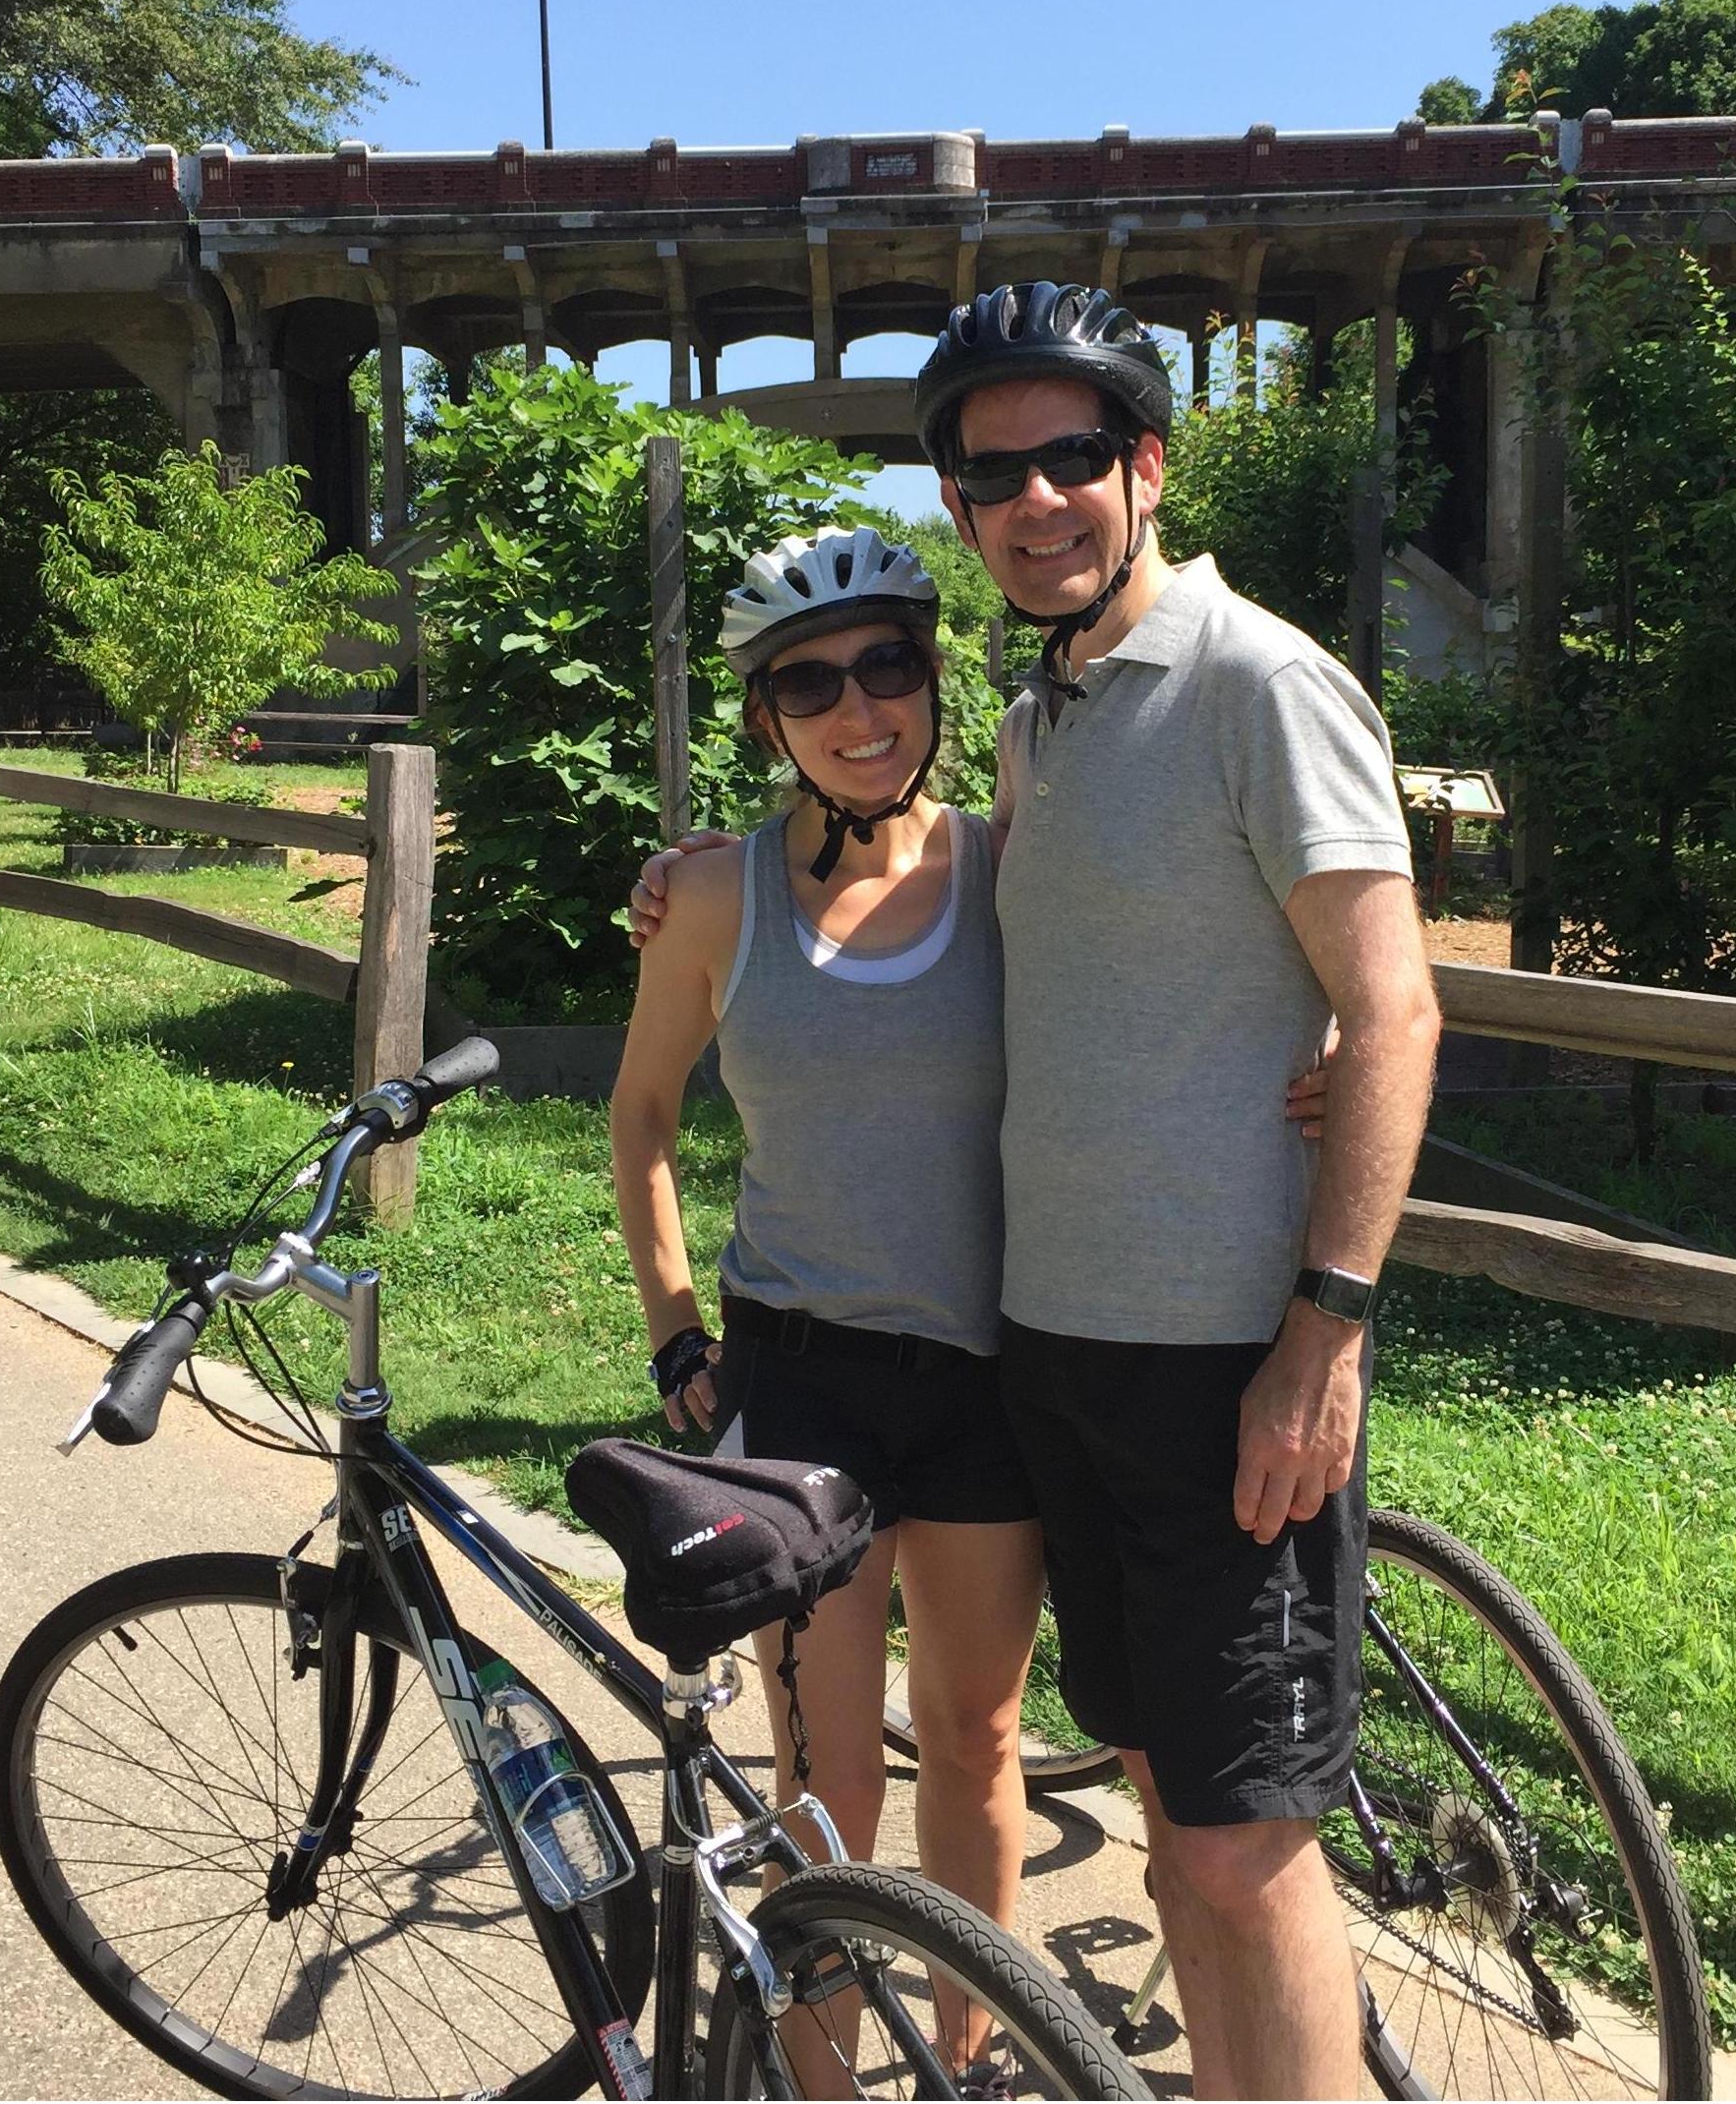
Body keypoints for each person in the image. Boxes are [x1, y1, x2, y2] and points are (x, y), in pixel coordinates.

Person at [635, 283, 1443, 2100]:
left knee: (1242, 1848)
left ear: (1146, 465)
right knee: (1171, 1830)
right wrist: (703, 871)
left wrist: (1326, 1332)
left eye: (1075, 454)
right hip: (1052, 1353)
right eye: (991, 471)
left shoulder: (1257, 678)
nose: (1037, 498)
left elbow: (1393, 1000)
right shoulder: (1040, 724)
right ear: (959, 508)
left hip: (1226, 1355)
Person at [608, 524, 1040, 2088]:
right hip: (799, 1391)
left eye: (888, 665)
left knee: (979, 1750)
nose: (859, 709)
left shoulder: (1013, 868)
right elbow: (641, 1114)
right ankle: (817, 2075)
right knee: (821, 1789)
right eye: (810, 681)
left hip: (988, 1376)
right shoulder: (717, 902)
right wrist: (674, 1325)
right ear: (764, 716)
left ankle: (975, 2057)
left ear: (934, 674)